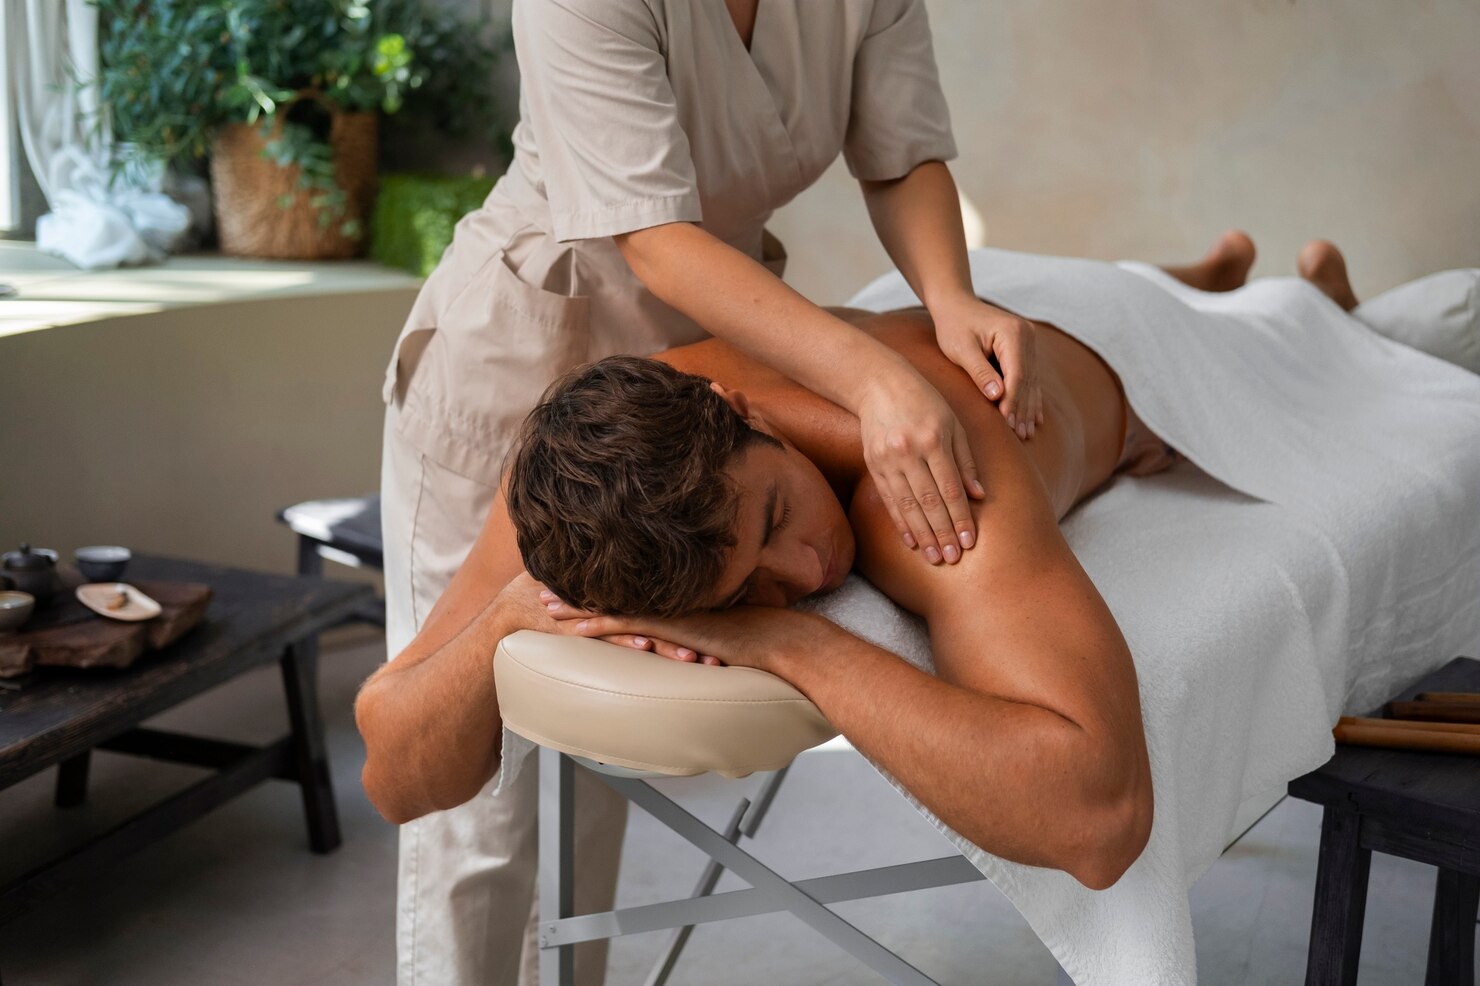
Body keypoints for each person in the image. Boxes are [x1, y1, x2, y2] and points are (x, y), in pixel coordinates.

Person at [369, 230, 1414, 894]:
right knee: (1102, 283)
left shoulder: (929, 472)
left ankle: (1312, 298)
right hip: (996, 296)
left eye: (776, 509)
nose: (812, 561)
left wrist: (782, 635)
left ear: (735, 410)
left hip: (1121, 367)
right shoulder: (581, 485)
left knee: (1282, 339)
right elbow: (394, 768)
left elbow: (1099, 819)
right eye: (749, 587)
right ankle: (1206, 273)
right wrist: (507, 615)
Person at [378, 2, 1049, 981]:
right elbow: (651, 234)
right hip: (522, 358)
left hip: (694, 368)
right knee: (484, 805)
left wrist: (950, 295)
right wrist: (867, 377)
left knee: (591, 769)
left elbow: (899, 153)